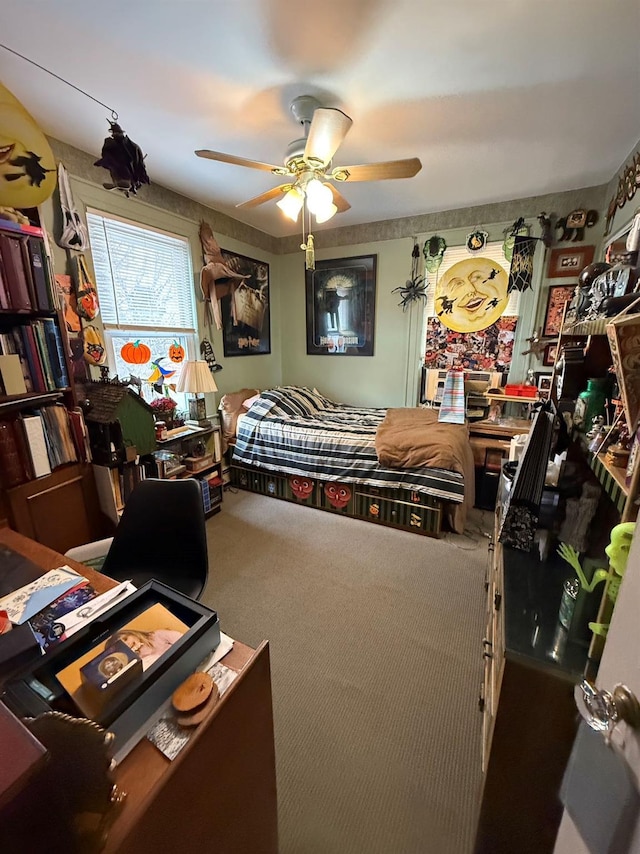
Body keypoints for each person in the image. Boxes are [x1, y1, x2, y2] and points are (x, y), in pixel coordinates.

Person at [108, 627, 184, 670]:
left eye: (126, 639)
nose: (128, 644)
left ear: (132, 633)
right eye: (123, 646)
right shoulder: (137, 659)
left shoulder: (157, 635)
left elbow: (182, 639)